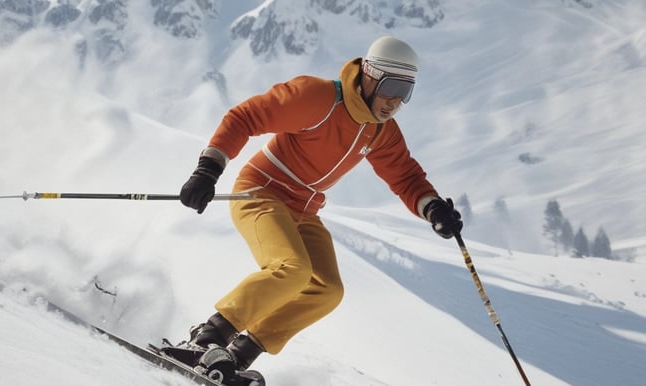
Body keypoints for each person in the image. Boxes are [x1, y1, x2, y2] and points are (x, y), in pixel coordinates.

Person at [175, 36, 463, 375]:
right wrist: (208, 170)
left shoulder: (381, 131)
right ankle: (206, 338)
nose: (395, 101)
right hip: (261, 192)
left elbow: (405, 176)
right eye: (392, 86)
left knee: (326, 289)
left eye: (406, 91)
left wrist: (433, 209)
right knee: (291, 269)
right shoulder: (319, 98)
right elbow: (246, 116)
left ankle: (238, 356)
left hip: (305, 210)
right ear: (369, 75)